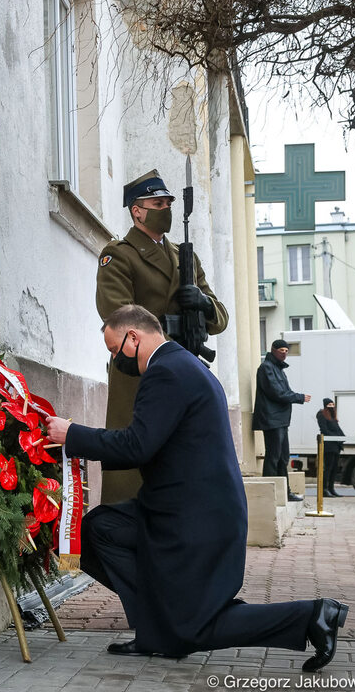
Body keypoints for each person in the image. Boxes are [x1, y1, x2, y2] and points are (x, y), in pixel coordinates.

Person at [44, 305, 347, 671]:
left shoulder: (167, 372)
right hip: (176, 511)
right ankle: (158, 630)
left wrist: (71, 434)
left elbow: (138, 444)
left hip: (197, 524)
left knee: (194, 628)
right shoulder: (181, 365)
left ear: (134, 337)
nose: (114, 360)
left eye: (114, 350)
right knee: (97, 530)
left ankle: (313, 616)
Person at [94, 169, 229, 504]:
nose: (165, 208)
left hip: (183, 370)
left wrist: (202, 303)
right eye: (158, 202)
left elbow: (221, 318)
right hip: (139, 373)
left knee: (183, 458)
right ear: (136, 210)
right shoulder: (120, 255)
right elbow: (118, 315)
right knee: (134, 465)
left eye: (168, 202)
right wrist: (170, 331)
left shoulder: (186, 257)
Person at [254, 338, 312, 501]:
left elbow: (281, 392)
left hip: (280, 420)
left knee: (283, 457)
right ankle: (269, 495)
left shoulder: (278, 369)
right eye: (281, 351)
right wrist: (299, 397)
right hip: (272, 420)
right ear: (273, 350)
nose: (284, 354)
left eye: (286, 351)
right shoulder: (266, 368)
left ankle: (284, 493)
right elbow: (276, 393)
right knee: (274, 456)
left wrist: (295, 397)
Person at [316, 398, 345, 497]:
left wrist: (342, 437)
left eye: (333, 404)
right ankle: (324, 489)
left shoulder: (333, 417)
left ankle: (331, 488)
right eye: (329, 405)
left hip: (336, 446)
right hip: (329, 446)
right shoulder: (322, 415)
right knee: (328, 468)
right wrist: (335, 438)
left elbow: (338, 429)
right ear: (325, 406)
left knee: (334, 468)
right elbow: (324, 429)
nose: (332, 407)